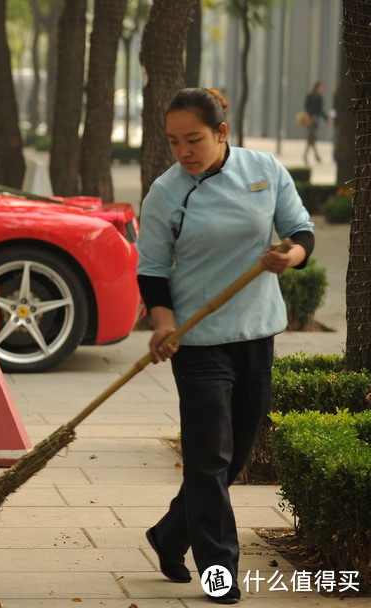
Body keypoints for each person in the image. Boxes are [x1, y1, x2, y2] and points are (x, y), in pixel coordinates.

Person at [136, 88, 314, 605]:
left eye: (193, 139)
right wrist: (164, 324)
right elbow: (152, 270)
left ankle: (168, 535)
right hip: (198, 341)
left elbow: (300, 229)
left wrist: (294, 254)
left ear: (221, 133)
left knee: (232, 459)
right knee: (208, 458)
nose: (184, 152)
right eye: (173, 142)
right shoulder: (166, 193)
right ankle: (219, 573)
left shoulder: (265, 169)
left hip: (257, 331)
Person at [303, 81, 331, 164]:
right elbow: (306, 106)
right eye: (321, 88)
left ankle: (309, 155)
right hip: (309, 120)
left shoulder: (320, 98)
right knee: (312, 137)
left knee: (312, 138)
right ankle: (315, 155)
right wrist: (312, 115)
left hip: (315, 120)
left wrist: (326, 118)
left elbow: (320, 110)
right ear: (317, 88)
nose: (322, 90)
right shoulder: (310, 96)